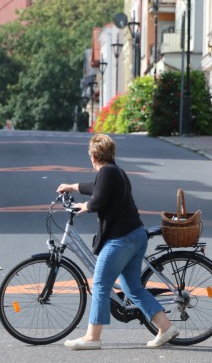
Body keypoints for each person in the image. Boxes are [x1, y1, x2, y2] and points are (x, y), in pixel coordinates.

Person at [56, 134, 178, 350]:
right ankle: (165, 327)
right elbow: (96, 188)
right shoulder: (114, 171)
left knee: (100, 284)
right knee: (133, 289)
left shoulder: (107, 172)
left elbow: (99, 200)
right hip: (134, 236)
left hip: (121, 239)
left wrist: (85, 206)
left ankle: (93, 337)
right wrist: (71, 186)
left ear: (94, 156)